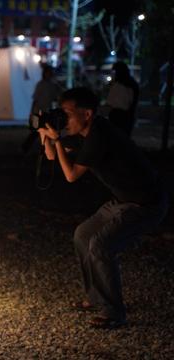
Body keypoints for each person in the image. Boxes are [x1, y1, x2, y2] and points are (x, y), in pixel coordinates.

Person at [38, 87, 169, 329]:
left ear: (87, 113)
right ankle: (95, 298)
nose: (64, 119)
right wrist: (44, 133)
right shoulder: (86, 133)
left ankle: (114, 313)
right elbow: (51, 156)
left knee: (100, 245)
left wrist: (55, 139)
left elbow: (70, 175)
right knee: (83, 234)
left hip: (146, 204)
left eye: (68, 113)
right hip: (123, 200)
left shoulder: (100, 134)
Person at [106, 61, 139, 136]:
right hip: (126, 116)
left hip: (119, 115)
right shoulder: (131, 84)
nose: (113, 74)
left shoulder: (120, 85)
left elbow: (111, 101)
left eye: (115, 72)